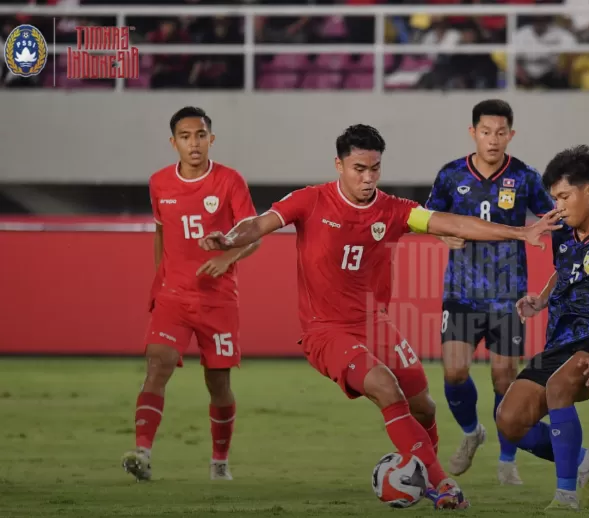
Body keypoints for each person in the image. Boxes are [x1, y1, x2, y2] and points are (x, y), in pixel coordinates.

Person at [199, 124, 563, 510]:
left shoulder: (393, 209)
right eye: (359, 168)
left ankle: (421, 474)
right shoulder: (310, 201)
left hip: (377, 326)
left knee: (424, 406)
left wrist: (518, 233)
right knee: (386, 387)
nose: (368, 177)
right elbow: (259, 223)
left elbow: (452, 223)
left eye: (375, 168)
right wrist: (229, 238)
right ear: (338, 165)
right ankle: (442, 486)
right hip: (326, 332)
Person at [495, 145, 589, 510]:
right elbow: (565, 269)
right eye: (554, 198)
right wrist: (543, 298)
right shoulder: (563, 230)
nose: (557, 205)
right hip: (562, 343)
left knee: (559, 387)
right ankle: (584, 462)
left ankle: (566, 497)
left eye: (563, 196)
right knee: (509, 421)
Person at [123, 106, 260, 482]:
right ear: (173, 143)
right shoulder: (159, 183)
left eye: (200, 135)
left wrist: (227, 257)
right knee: (157, 365)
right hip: (173, 298)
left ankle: (219, 461)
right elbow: (161, 233)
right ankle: (142, 452)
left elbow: (253, 236)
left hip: (218, 300)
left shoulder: (231, 181)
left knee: (218, 385)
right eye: (185, 137)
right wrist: (161, 278)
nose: (193, 143)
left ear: (211, 139)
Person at [425, 99, 555, 484]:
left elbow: (549, 218)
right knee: (453, 372)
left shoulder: (526, 178)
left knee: (503, 378)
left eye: (501, 133)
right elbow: (428, 219)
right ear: (473, 133)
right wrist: (443, 233)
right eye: (486, 132)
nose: (493, 140)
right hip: (460, 294)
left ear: (510, 135)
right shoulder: (450, 175)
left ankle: (507, 458)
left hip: (507, 297)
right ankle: (471, 433)